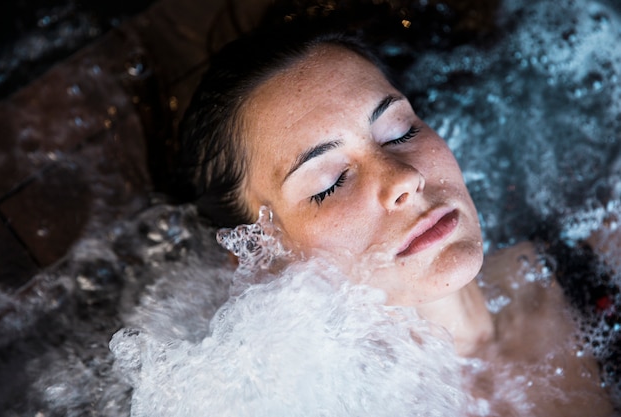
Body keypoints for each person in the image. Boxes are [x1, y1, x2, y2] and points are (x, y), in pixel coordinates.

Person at [173, 4, 616, 415]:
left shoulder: (604, 257)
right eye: (330, 183)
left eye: (399, 131)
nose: (403, 179)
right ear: (259, 259)